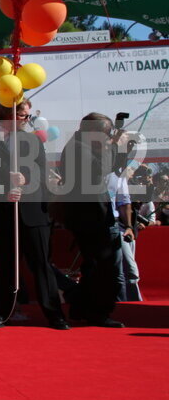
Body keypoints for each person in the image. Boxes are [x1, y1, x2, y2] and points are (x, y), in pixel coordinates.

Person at [0, 101, 68, 330]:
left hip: (33, 212)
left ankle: (54, 314)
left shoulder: (33, 140)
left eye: (27, 116)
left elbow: (41, 171)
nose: (26, 120)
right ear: (8, 115)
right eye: (23, 116)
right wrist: (6, 188)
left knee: (41, 264)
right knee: (5, 264)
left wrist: (26, 181)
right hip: (3, 212)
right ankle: (1, 313)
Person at [58, 114, 125, 327]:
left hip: (91, 214)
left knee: (93, 266)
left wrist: (118, 147)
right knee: (103, 267)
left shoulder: (84, 146)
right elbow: (99, 171)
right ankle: (97, 311)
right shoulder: (78, 148)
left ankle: (81, 308)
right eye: (106, 133)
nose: (107, 138)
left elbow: (114, 166)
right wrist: (111, 147)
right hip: (88, 216)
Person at [107, 168, 141, 302]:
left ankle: (132, 303)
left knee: (128, 269)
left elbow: (124, 201)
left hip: (116, 225)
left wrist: (128, 226)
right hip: (93, 224)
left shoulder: (118, 176)